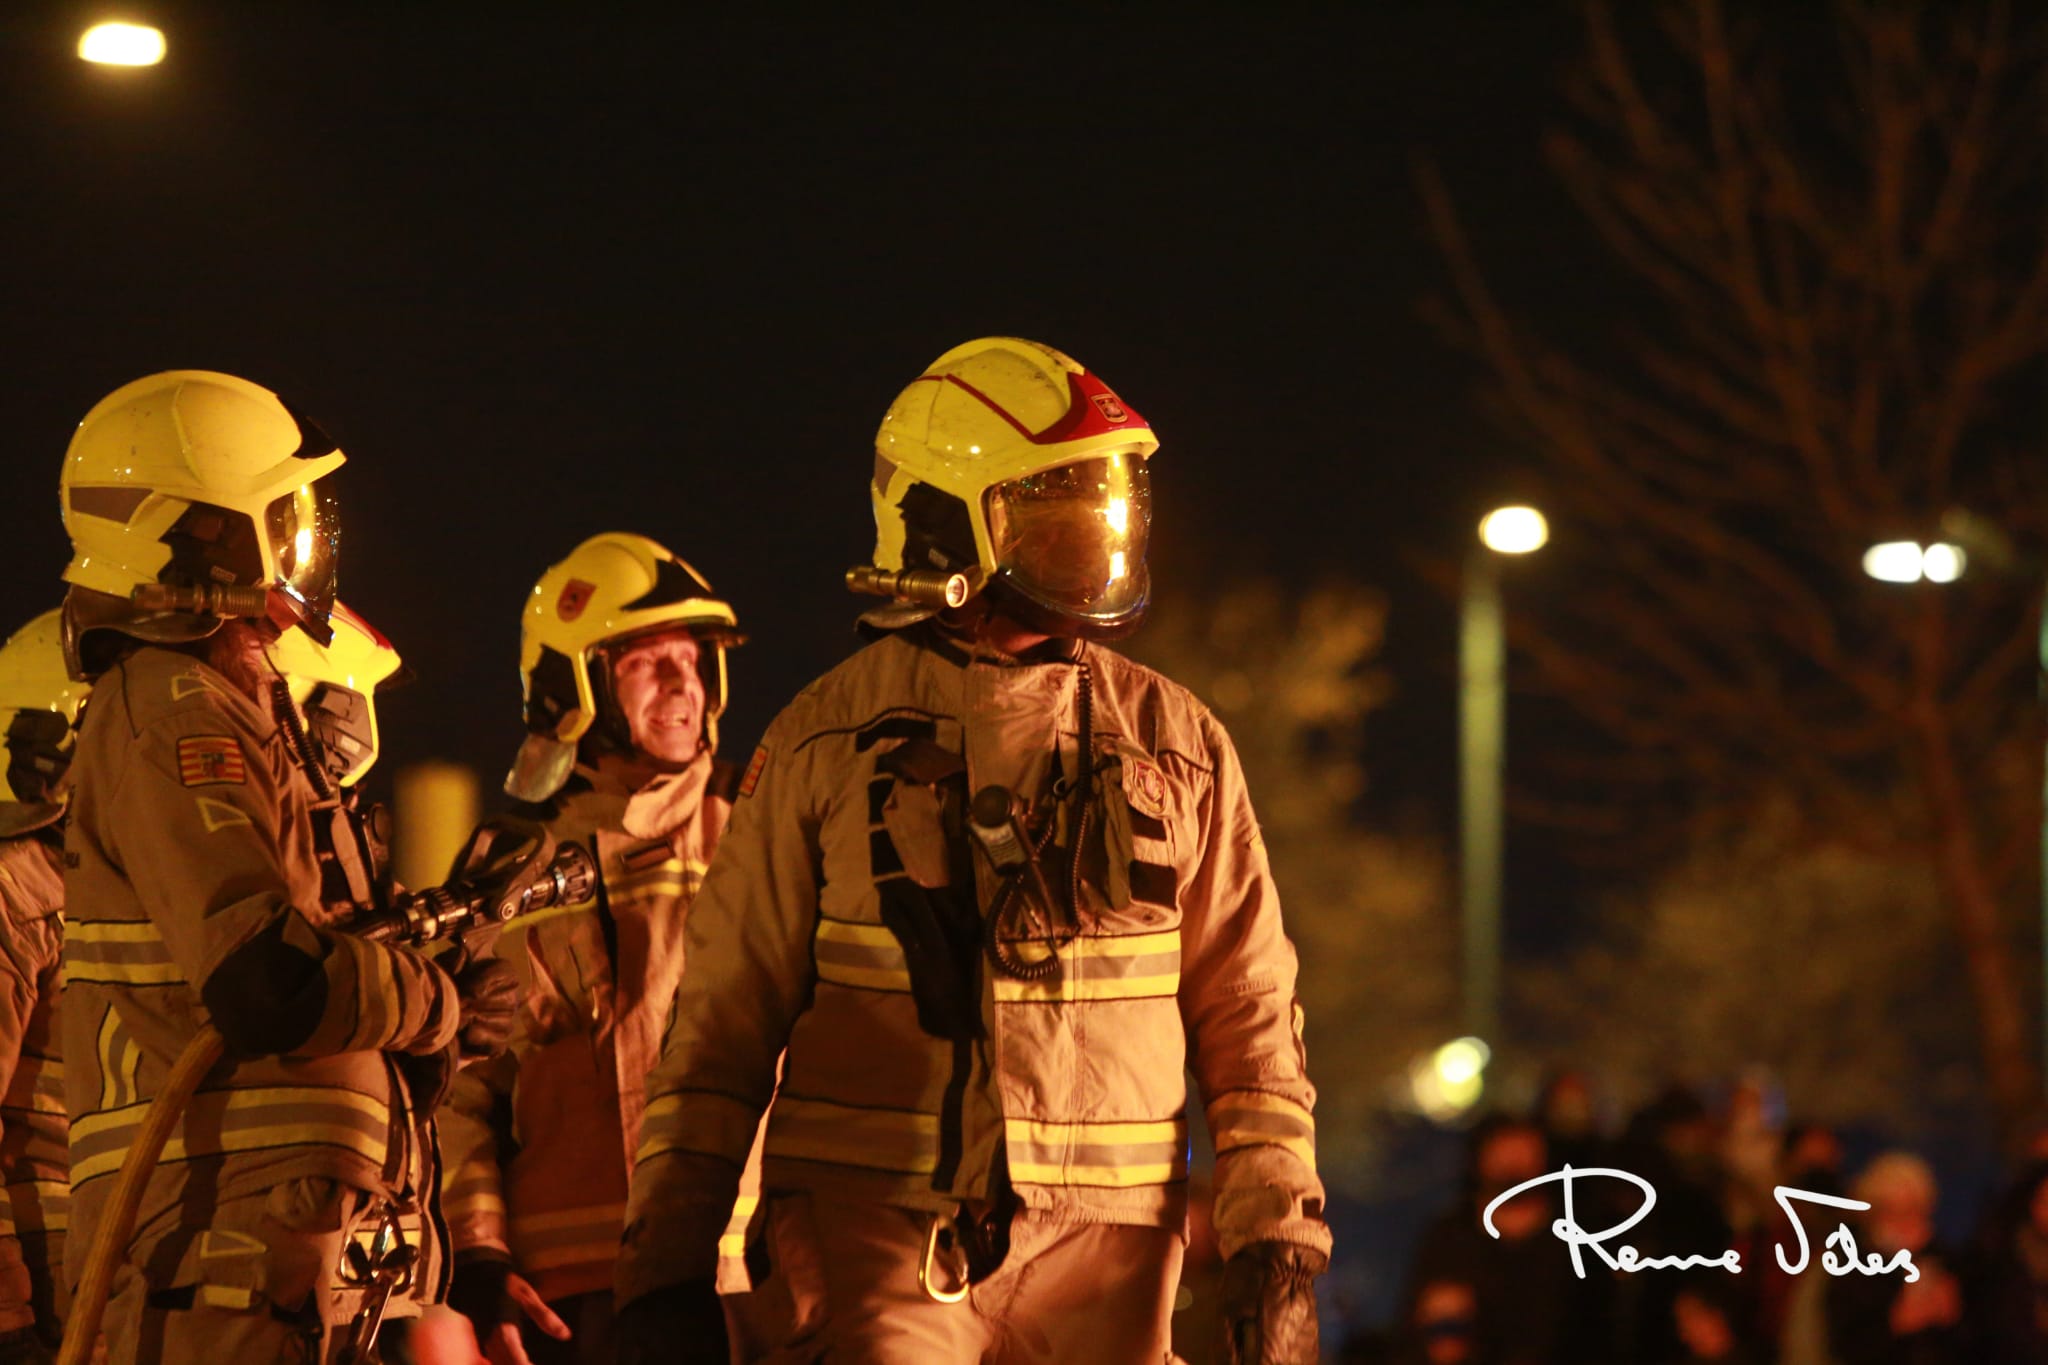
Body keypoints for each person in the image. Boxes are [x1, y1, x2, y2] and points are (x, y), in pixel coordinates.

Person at [617, 337, 1330, 1364]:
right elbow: (720, 1022)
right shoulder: (822, 741)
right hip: (872, 1235)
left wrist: (1278, 1242)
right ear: (943, 521)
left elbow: (1250, 1011)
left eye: (1102, 509)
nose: (1093, 540)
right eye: (1054, 515)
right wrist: (669, 1262)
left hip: (1112, 1259)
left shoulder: (1178, 744)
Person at [54, 370, 517, 1362]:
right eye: (283, 515)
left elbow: (318, 938)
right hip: (219, 1251)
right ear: (205, 533)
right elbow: (268, 982)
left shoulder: (226, 702)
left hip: (279, 1257)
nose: (305, 541)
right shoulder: (171, 707)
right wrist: (436, 1004)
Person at [439, 533, 745, 1365]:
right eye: (648, 663)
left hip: (740, 1280)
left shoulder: (756, 833)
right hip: (572, 1307)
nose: (684, 684)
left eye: (693, 660)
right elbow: (460, 1090)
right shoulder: (505, 869)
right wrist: (479, 1255)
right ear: (572, 685)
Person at [0, 611, 88, 1361]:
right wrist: (9, 1319)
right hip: (52, 1288)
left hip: (118, 1271)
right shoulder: (15, 891)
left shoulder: (123, 888)